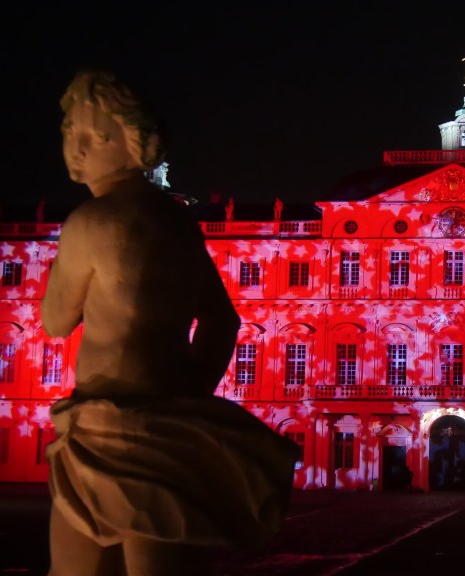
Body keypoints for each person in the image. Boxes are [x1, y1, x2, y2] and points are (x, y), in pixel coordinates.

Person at [43, 69, 299, 576]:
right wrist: (190, 395)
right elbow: (222, 322)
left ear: (134, 142)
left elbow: (54, 321)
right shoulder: (180, 223)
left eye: (94, 135)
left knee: (75, 566)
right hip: (167, 423)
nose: (78, 147)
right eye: (71, 132)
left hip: (101, 420)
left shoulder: (90, 222)